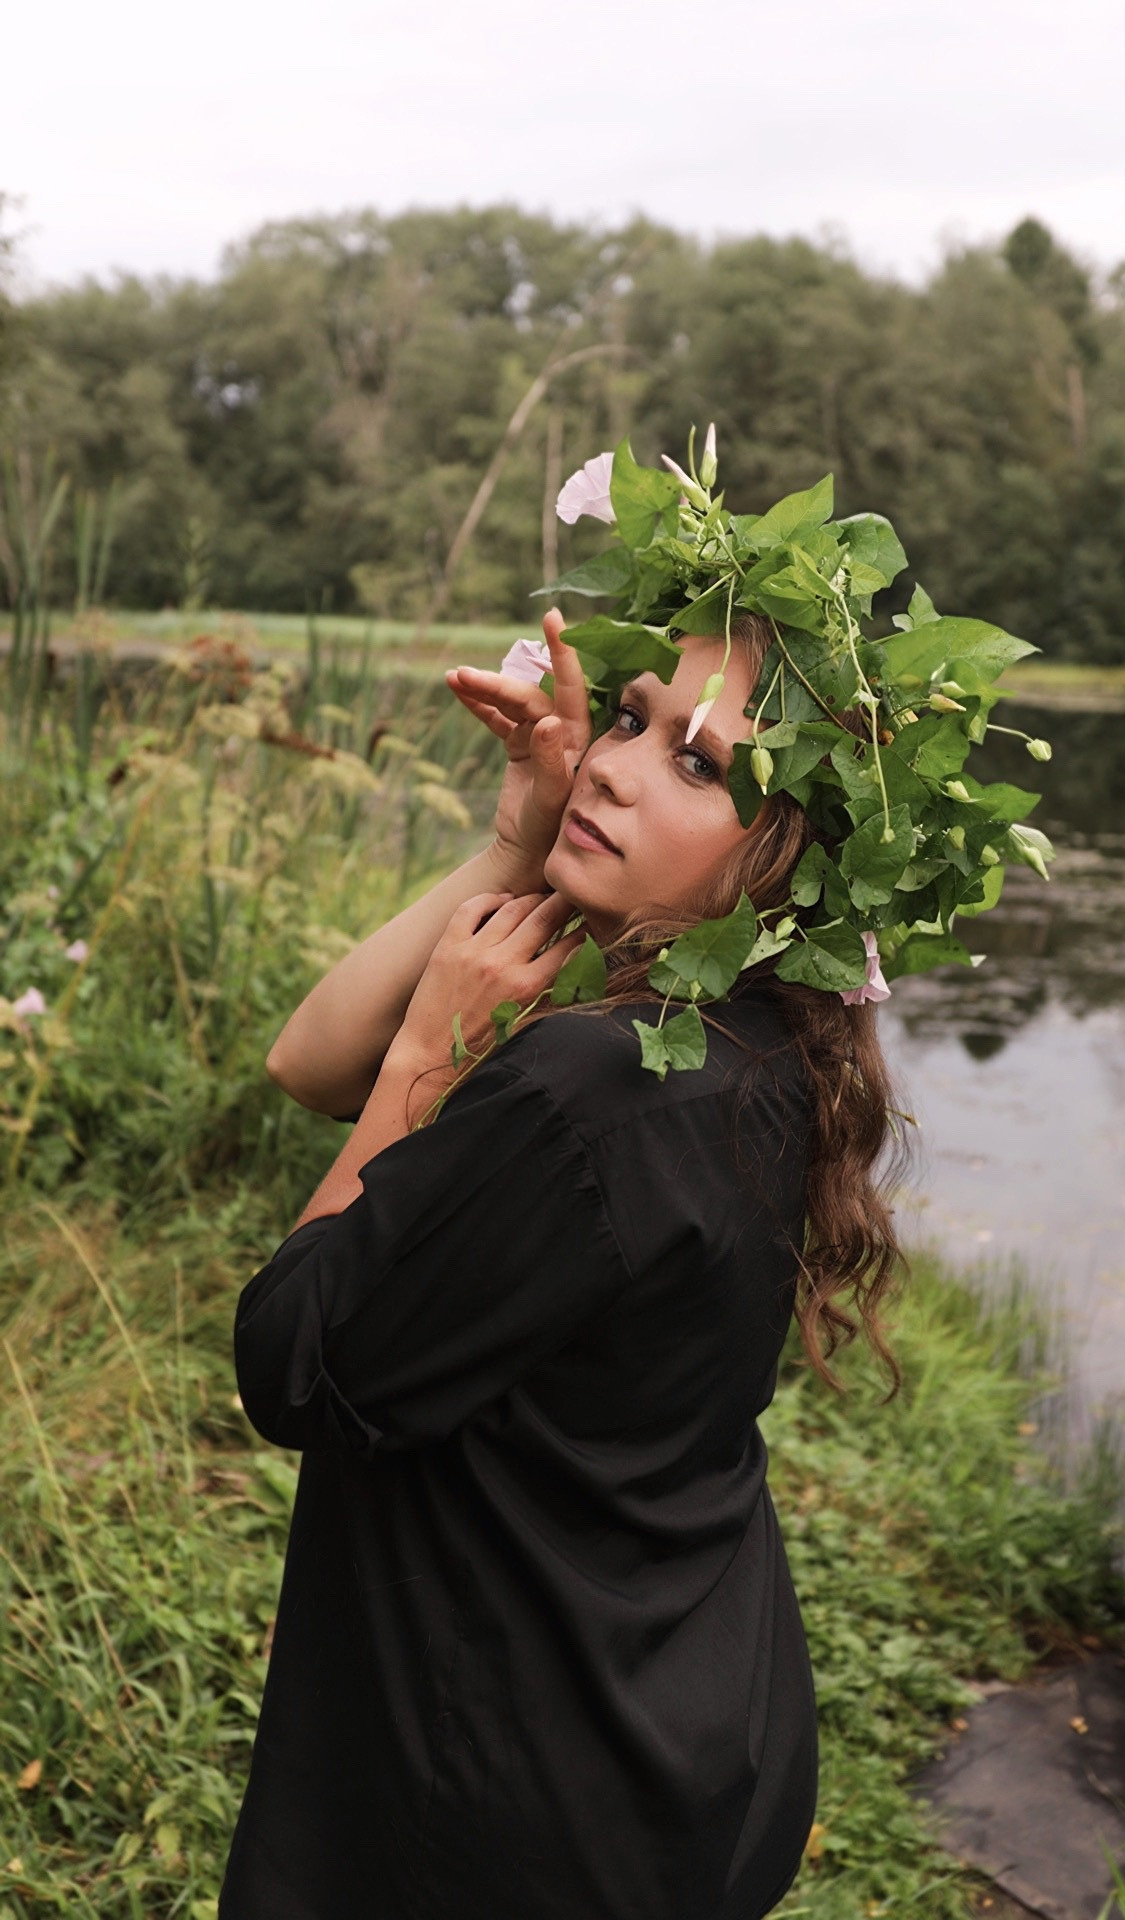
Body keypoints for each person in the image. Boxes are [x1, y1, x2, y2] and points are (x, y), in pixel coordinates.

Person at [218, 600, 905, 1920]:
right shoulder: (760, 1048)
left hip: (500, 1798)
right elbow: (308, 1065)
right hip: (674, 1717)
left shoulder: (589, 1087)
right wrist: (514, 845)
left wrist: (429, 1054)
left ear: (791, 854)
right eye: (633, 719)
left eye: (697, 762)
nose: (611, 762)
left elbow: (291, 1361)